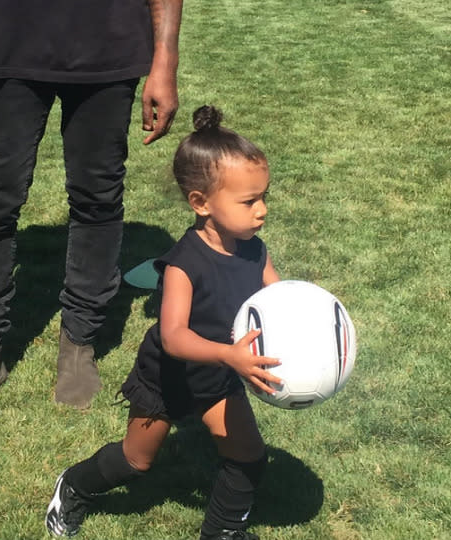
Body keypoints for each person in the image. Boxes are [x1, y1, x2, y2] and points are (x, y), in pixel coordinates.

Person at [0, 0, 183, 425]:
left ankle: (79, 343)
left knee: (97, 198)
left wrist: (166, 57)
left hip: (108, 44)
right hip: (4, 45)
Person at [45, 105, 282, 540]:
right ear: (201, 203)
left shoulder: (256, 251)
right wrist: (230, 355)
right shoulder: (183, 264)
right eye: (249, 201)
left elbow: (279, 302)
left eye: (264, 196)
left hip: (219, 375)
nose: (262, 210)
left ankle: (222, 532)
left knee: (249, 455)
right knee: (136, 461)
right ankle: (74, 486)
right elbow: (173, 337)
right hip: (167, 378)